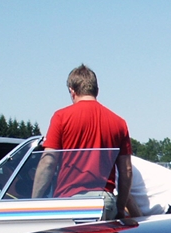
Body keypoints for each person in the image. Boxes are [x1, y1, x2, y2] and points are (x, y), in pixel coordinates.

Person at [32, 64, 141, 218]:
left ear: (72, 91)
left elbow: (48, 162)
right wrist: (120, 208)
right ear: (97, 91)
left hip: (70, 202)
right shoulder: (119, 123)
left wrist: (34, 202)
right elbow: (126, 171)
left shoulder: (61, 117)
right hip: (104, 202)